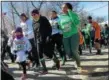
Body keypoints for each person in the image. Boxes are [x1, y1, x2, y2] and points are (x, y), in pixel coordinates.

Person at [31, 9, 60, 74]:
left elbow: (49, 28)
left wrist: (48, 36)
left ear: (38, 14)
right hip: (38, 40)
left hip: (46, 38)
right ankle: (45, 69)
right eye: (32, 15)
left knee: (48, 53)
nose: (33, 16)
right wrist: (35, 41)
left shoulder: (43, 19)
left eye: (34, 14)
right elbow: (34, 32)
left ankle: (56, 61)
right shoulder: (33, 22)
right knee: (39, 53)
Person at [58, 3, 82, 73]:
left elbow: (76, 23)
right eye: (62, 8)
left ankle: (78, 65)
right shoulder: (60, 17)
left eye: (65, 7)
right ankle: (76, 59)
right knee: (68, 52)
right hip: (65, 36)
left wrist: (70, 13)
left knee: (74, 50)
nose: (63, 9)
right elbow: (60, 26)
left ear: (69, 8)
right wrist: (59, 27)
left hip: (74, 34)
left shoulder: (74, 14)